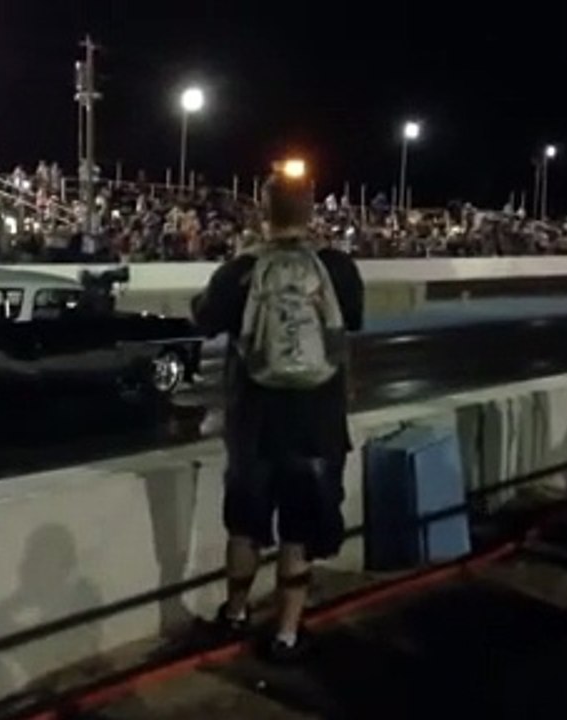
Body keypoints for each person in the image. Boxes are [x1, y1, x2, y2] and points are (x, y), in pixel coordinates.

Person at [192, 163, 364, 662]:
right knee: (299, 529)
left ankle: (235, 612)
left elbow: (204, 318)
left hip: (254, 424)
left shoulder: (241, 271)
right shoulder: (337, 268)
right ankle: (287, 633)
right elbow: (350, 323)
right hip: (316, 422)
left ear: (261, 212)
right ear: (311, 211)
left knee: (245, 525)